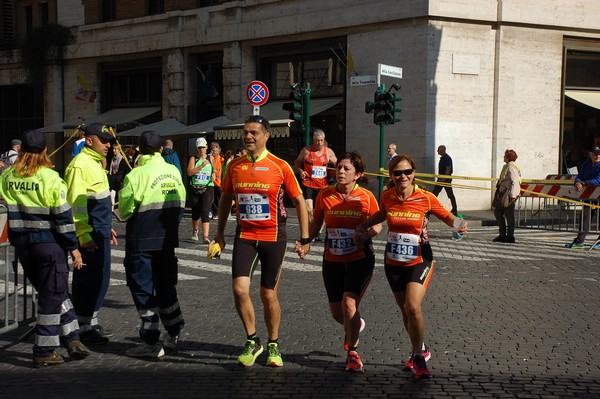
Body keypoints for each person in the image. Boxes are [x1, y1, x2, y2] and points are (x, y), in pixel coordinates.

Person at [354, 154, 467, 380]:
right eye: (398, 173)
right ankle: (421, 347)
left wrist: (460, 225)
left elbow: (448, 217)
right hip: (393, 261)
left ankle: (417, 356)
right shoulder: (387, 196)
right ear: (392, 176)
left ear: (413, 174)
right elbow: (382, 214)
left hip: (420, 258)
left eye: (407, 172)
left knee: (413, 306)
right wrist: (364, 225)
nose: (403, 176)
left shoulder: (425, 198)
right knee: (405, 310)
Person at [211, 115, 310, 368]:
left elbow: (298, 201)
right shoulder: (234, 166)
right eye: (246, 132)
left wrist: (305, 238)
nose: (248, 136)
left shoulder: (280, 166)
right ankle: (252, 340)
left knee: (268, 294)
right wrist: (219, 233)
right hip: (245, 235)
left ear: (267, 136)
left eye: (254, 132)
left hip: (274, 236)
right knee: (240, 289)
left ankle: (274, 343)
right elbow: (225, 199)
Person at [0, 130, 90, 367]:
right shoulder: (50, 178)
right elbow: (63, 218)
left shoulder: (8, 176)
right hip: (49, 245)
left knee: (56, 292)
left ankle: (72, 338)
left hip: (23, 246)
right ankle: (44, 349)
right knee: (52, 296)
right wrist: (74, 248)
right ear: (44, 151)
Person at [294, 151, 382, 372]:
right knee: (337, 313)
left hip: (360, 258)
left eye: (346, 169)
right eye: (339, 168)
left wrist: (365, 234)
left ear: (358, 175)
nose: (340, 172)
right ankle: (354, 324)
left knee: (349, 304)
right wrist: (306, 241)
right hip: (332, 259)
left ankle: (353, 353)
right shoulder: (325, 194)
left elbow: (378, 225)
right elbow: (317, 224)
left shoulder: (366, 197)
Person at [118, 130, 186, 358]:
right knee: (166, 285)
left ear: (139, 150)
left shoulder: (135, 175)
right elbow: (181, 201)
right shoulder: (173, 171)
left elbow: (126, 210)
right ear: (160, 149)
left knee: (143, 288)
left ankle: (150, 339)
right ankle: (174, 332)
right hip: (166, 239)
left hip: (141, 240)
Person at [64, 122, 119, 345]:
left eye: (109, 141)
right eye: (103, 140)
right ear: (89, 140)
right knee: (88, 281)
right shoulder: (80, 165)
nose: (108, 145)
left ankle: (89, 322)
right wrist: (83, 235)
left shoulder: (95, 163)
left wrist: (107, 226)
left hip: (100, 230)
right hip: (89, 236)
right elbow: (76, 205)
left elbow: (98, 200)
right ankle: (82, 327)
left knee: (100, 278)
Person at [294, 129, 337, 241]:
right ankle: (310, 230)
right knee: (309, 209)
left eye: (321, 140)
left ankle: (318, 233)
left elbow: (337, 164)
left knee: (321, 211)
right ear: (314, 140)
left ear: (324, 140)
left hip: (322, 185)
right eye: (317, 140)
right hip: (308, 183)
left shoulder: (328, 152)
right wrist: (300, 171)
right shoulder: (306, 150)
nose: (319, 143)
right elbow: (297, 162)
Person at [565, 146, 600, 249]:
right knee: (585, 217)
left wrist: (585, 183)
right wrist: (578, 182)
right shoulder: (586, 164)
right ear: (590, 154)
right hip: (588, 196)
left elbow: (599, 180)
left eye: (598, 153)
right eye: (594, 153)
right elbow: (580, 176)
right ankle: (579, 241)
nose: (597, 155)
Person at [187, 137, 213, 243]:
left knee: (205, 210)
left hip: (207, 186)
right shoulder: (194, 159)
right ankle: (195, 231)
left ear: (207, 147)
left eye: (203, 147)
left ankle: (205, 236)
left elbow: (214, 169)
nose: (202, 149)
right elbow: (189, 172)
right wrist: (201, 166)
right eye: (199, 147)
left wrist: (214, 174)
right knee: (196, 211)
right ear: (197, 148)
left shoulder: (211, 158)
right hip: (195, 187)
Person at [493, 149, 521, 244]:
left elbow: (515, 181)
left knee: (509, 215)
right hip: (503, 193)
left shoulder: (511, 166)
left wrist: (513, 195)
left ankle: (509, 236)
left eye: (505, 155)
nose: (503, 157)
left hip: (508, 194)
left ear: (508, 157)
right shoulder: (507, 166)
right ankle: (502, 234)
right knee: (498, 212)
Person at [431, 145, 458, 215]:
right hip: (442, 179)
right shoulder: (443, 158)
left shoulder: (447, 158)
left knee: (446, 194)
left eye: (438, 150)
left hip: (445, 179)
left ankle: (454, 209)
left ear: (442, 150)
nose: (437, 151)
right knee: (435, 194)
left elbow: (448, 169)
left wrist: (443, 179)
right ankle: (431, 208)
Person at [107, 145, 129, 209]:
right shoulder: (112, 159)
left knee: (119, 195)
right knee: (112, 194)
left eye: (116, 149)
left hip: (119, 180)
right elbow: (110, 169)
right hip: (112, 179)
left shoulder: (123, 159)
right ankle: (114, 207)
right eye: (113, 149)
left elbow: (122, 171)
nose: (114, 151)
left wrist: (118, 179)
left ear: (119, 150)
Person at [209, 141, 224, 219]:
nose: (212, 152)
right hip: (212, 182)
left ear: (218, 151)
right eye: (211, 150)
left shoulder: (221, 159)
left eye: (214, 150)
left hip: (219, 183)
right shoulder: (211, 158)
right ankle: (214, 212)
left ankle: (218, 213)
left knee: (218, 200)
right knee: (212, 199)